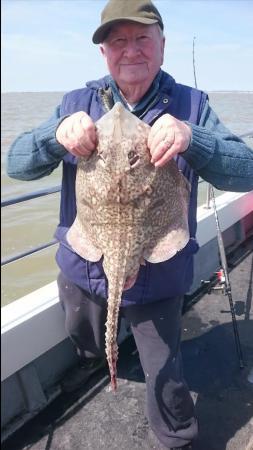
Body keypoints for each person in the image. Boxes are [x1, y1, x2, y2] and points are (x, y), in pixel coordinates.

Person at [7, 1, 253, 448]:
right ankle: (96, 357)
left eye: (142, 38)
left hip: (158, 273)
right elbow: (16, 165)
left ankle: (176, 438)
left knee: (165, 373)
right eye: (118, 40)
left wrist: (191, 139)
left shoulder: (192, 107)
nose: (131, 50)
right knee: (82, 333)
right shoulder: (75, 104)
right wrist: (54, 134)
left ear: (162, 44)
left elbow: (247, 171)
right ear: (104, 52)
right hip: (84, 264)